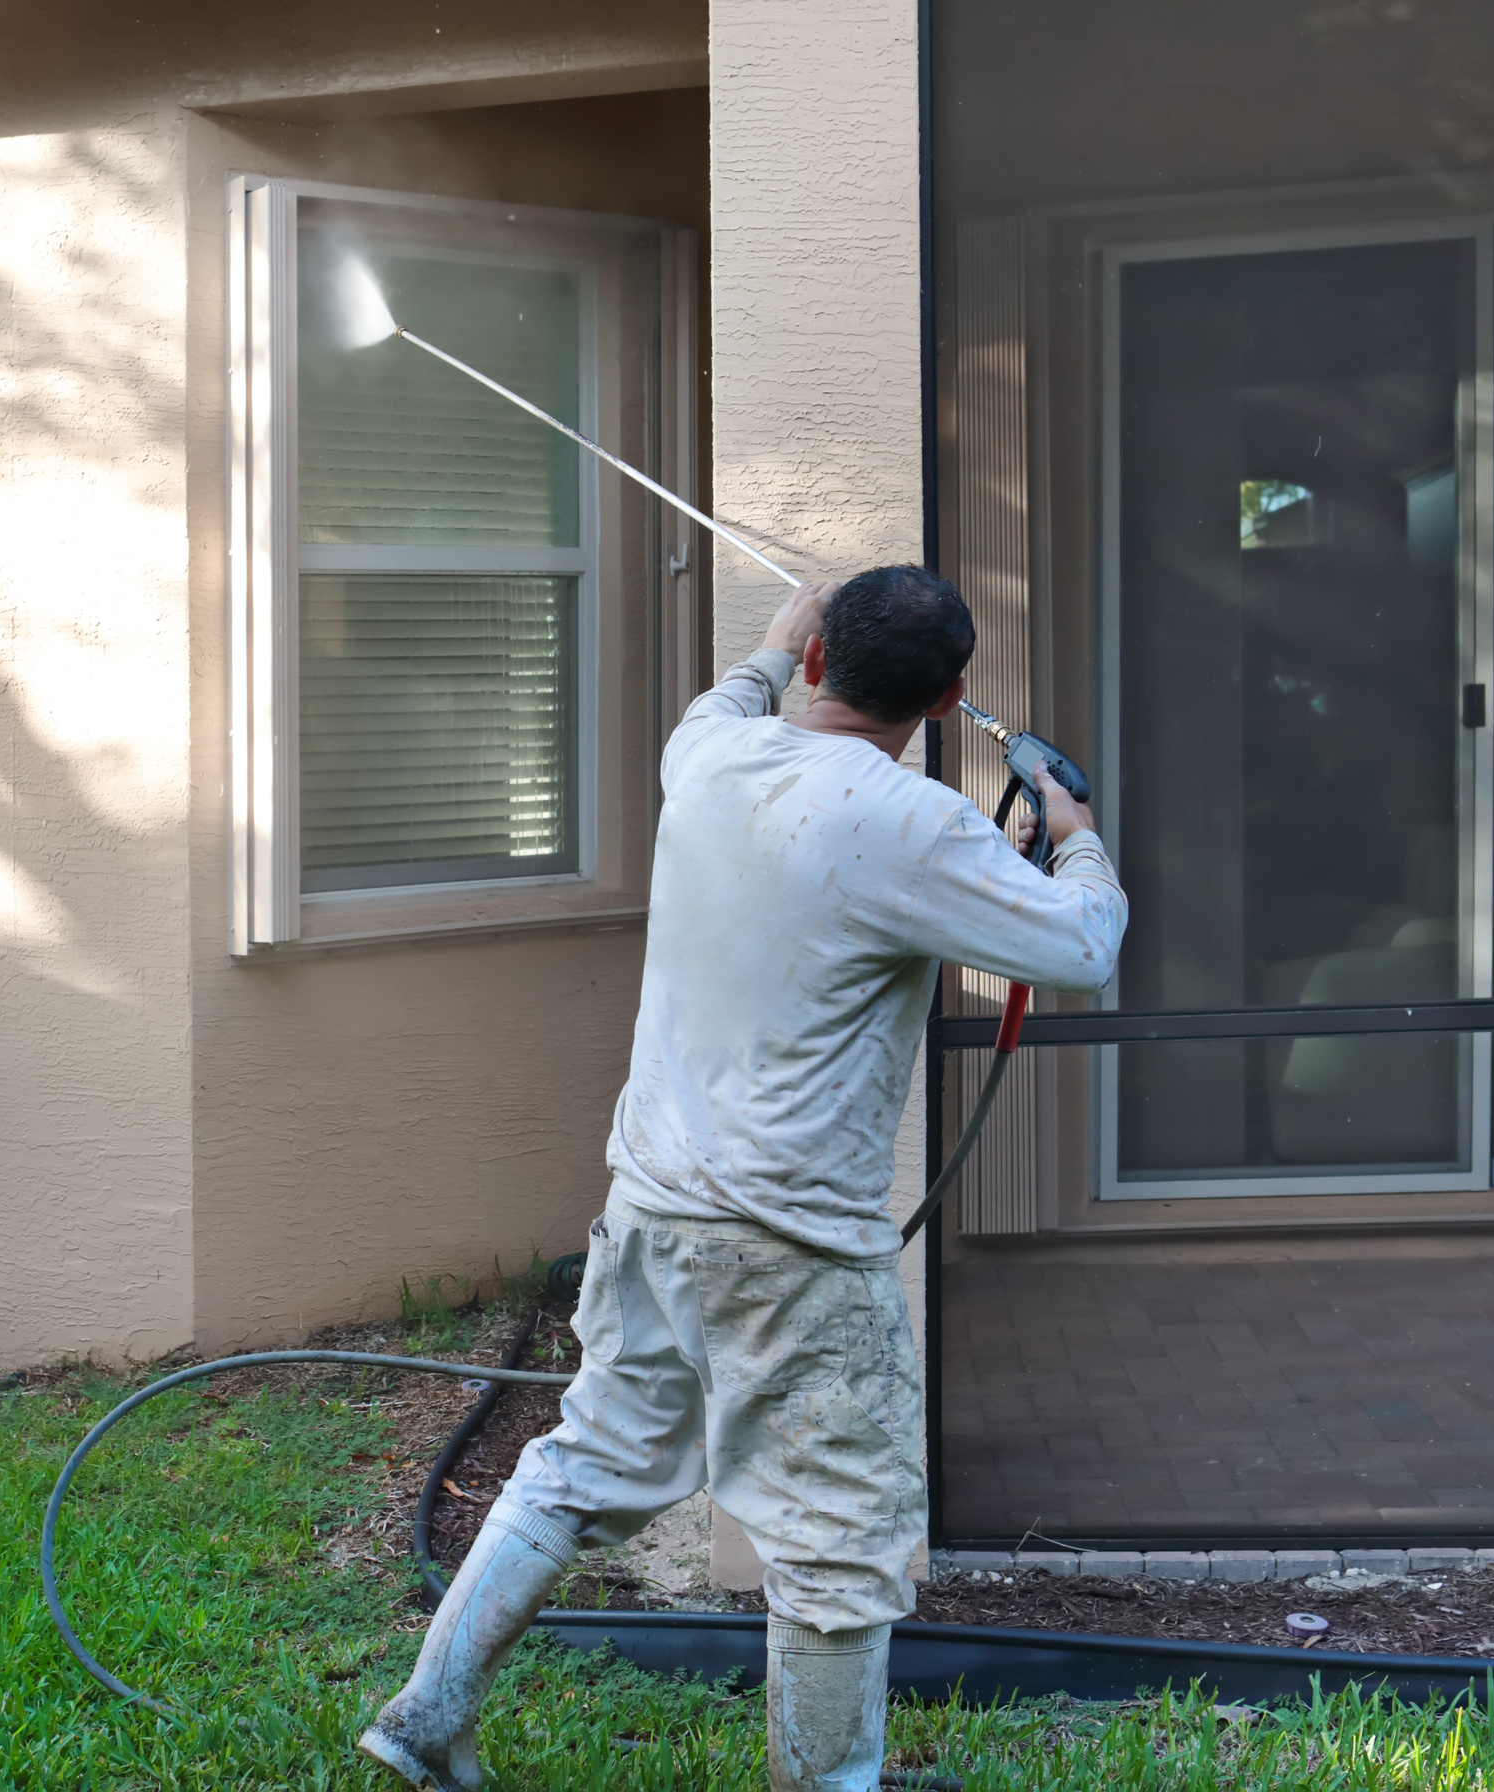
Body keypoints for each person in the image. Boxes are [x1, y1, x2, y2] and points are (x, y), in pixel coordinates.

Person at [358, 566, 1129, 1792]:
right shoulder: (915, 821)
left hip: (653, 1211)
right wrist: (1074, 841)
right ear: (948, 700)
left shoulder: (708, 757)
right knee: (837, 1539)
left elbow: (739, 699)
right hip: (795, 1254)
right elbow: (1084, 944)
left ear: (817, 661)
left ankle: (423, 1713)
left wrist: (776, 638)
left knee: (584, 1463)